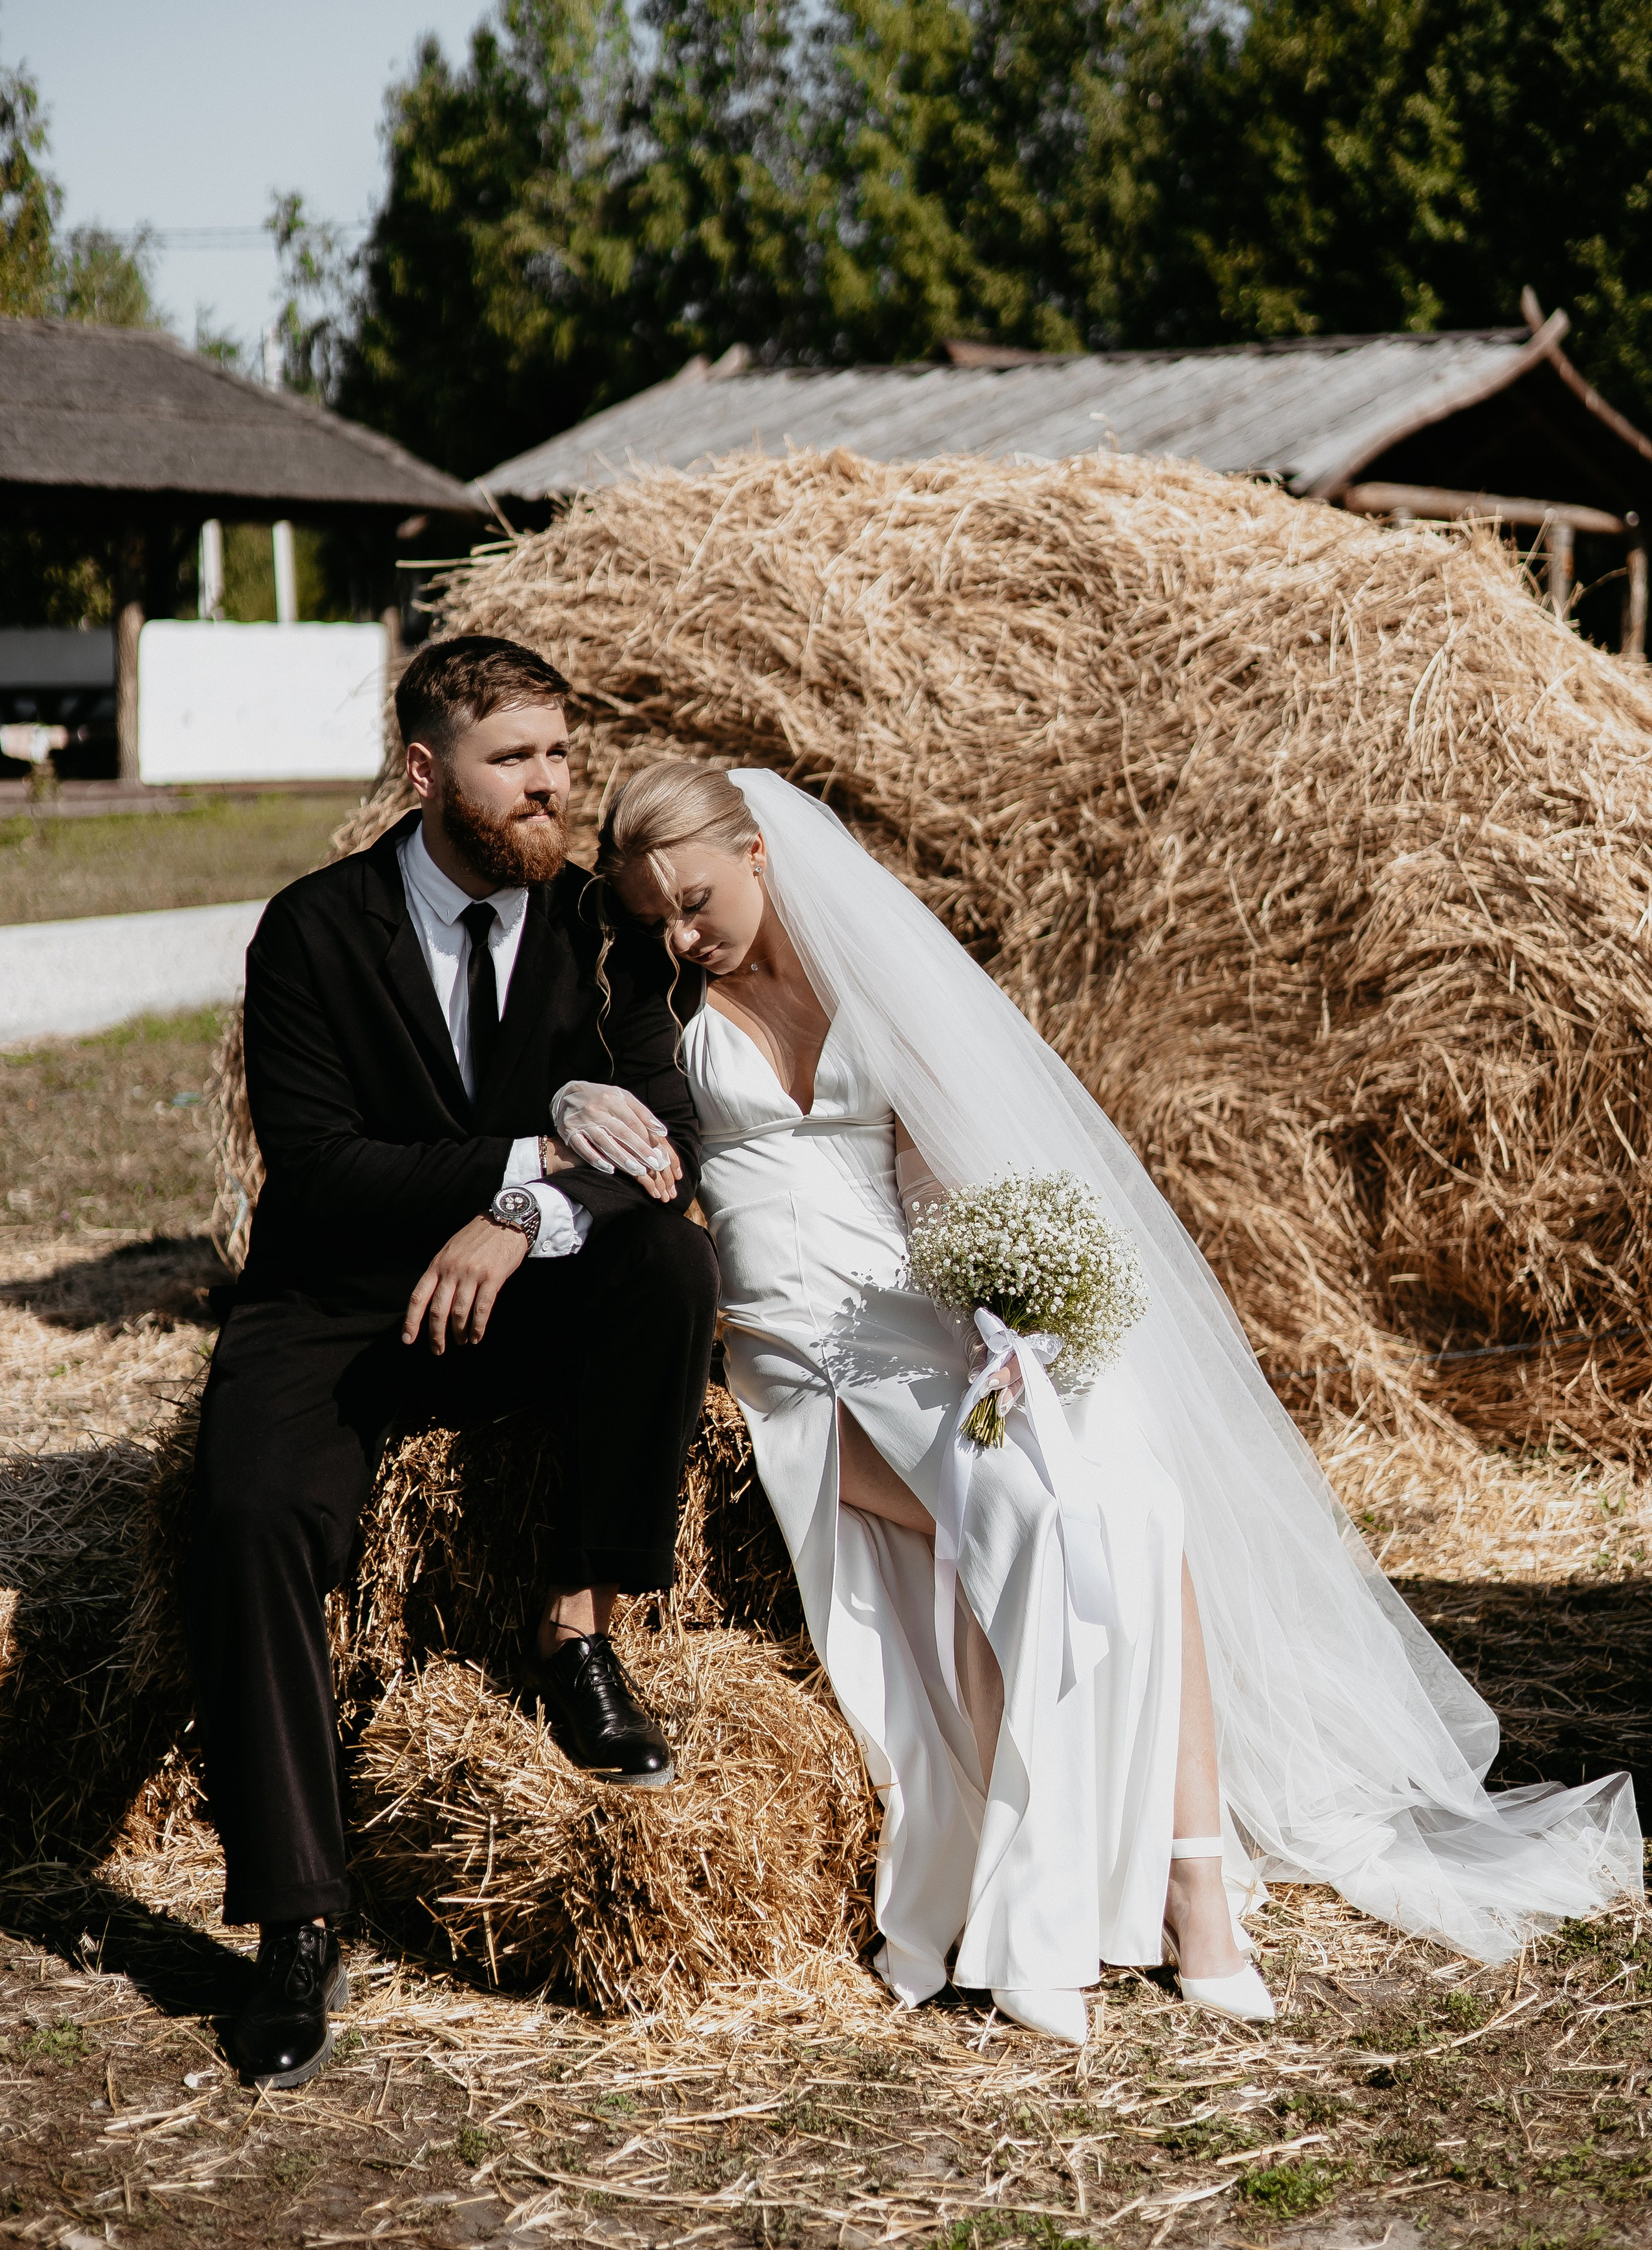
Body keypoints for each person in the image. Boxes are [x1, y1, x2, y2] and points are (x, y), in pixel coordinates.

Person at [596, 763, 1642, 2046]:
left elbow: (930, 1176)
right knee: (1027, 1513)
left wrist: (1001, 1314)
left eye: (694, 902)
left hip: (918, 1321)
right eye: (654, 916)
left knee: (1141, 1494)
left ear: (759, 852)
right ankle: (1036, 1915)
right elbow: (625, 1145)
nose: (678, 936)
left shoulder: (867, 977)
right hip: (797, 1352)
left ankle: (1194, 1883)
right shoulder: (652, 1008)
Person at [186, 637, 718, 2089]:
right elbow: (318, 1170)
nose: (551, 784)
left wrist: (520, 1218)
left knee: (671, 1268)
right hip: (340, 1298)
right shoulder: (313, 929)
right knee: (249, 1511)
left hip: (528, 1283)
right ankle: (297, 1916)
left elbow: (662, 1144)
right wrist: (525, 1156)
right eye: (515, 759)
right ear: (426, 773)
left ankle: (578, 1631)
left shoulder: (599, 926)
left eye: (560, 752)